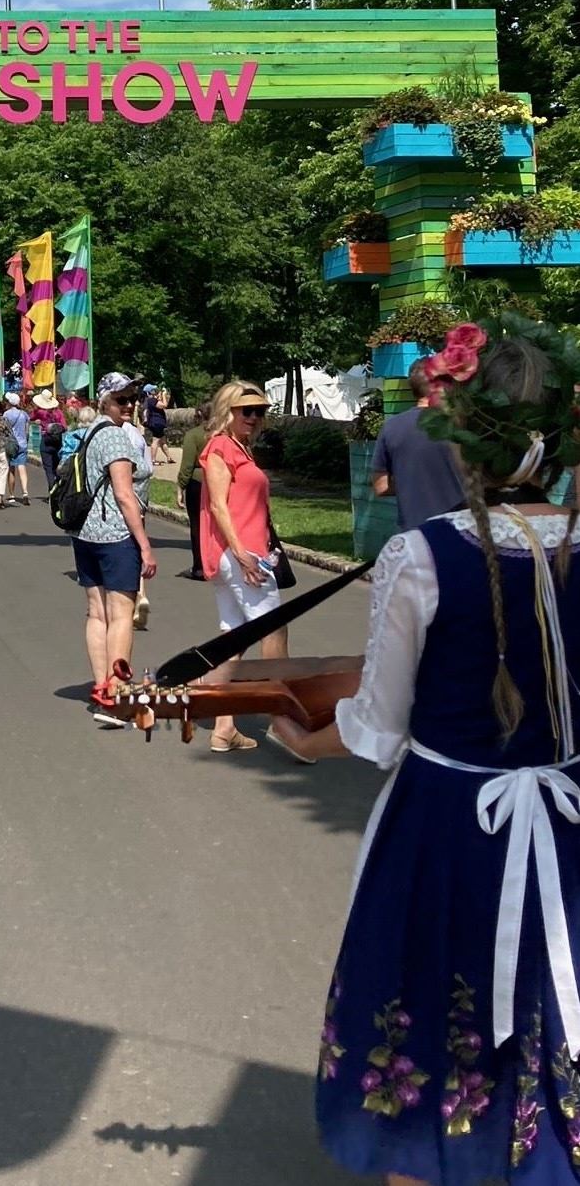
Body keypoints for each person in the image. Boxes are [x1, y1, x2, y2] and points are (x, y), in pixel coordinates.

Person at [271, 319, 580, 1186]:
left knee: (427, 1000)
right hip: (566, 818)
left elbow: (375, 724)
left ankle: (424, 1154)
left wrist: (299, 740)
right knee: (551, 993)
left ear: (460, 438)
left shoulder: (422, 554)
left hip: (446, 828)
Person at [200, 380, 286, 754]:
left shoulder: (240, 449)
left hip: (241, 553)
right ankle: (284, 720)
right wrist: (241, 553)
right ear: (227, 412)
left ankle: (223, 726)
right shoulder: (221, 447)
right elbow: (218, 506)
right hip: (240, 554)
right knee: (274, 630)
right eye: (246, 410)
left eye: (260, 411)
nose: (254, 417)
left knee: (234, 637)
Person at [66, 374, 156, 729]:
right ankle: (116, 695)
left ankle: (103, 684)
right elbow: (123, 494)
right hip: (115, 535)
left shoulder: (90, 432)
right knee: (121, 615)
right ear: (105, 400)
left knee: (97, 614)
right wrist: (145, 545)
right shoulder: (115, 436)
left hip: (86, 533)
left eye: (132, 397)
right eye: (121, 399)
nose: (130, 404)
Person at [371, 357, 466, 530]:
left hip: (415, 534)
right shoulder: (462, 425)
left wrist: (411, 480)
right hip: (461, 530)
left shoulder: (391, 428)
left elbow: (381, 487)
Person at [175, 403, 211, 580]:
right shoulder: (224, 433)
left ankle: (200, 566)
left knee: (197, 525)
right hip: (222, 481)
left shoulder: (194, 435)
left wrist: (180, 486)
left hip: (198, 481)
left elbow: (187, 465)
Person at [31, 387, 66, 492]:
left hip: (46, 440)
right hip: (57, 441)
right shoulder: (59, 413)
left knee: (48, 468)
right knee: (56, 467)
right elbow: (64, 427)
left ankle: (52, 489)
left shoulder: (40, 413)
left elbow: (31, 417)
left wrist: (40, 422)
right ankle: (58, 488)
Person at [3, 390, 32, 505]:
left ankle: (11, 494)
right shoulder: (24, 414)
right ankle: (25, 492)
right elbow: (27, 430)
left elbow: (5, 430)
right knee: (22, 467)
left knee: (11, 469)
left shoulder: (6, 414)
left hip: (11, 444)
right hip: (22, 443)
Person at [142, 385, 170, 466]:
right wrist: (164, 395)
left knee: (163, 440)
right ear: (150, 391)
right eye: (154, 390)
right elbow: (164, 405)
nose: (155, 390)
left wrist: (159, 396)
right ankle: (153, 460)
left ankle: (169, 457)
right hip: (156, 422)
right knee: (156, 441)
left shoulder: (150, 400)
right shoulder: (151, 400)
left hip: (157, 422)